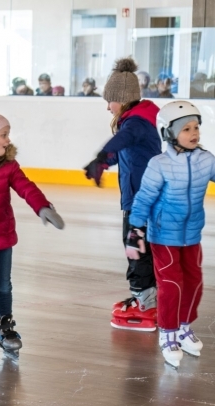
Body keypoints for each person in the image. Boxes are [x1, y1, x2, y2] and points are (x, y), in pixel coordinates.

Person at [126, 101, 215, 368]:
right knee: (172, 284)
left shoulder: (205, 159)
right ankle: (167, 333)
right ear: (169, 133)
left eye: (196, 127)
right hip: (163, 236)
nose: (194, 133)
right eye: (186, 129)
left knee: (194, 283)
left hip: (191, 235)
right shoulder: (159, 164)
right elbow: (144, 198)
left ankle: (183, 328)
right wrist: (135, 230)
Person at [0, 106, 64, 362]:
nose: (8, 140)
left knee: (3, 285)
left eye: (8, 134)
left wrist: (42, 206)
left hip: (2, 234)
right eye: (3, 135)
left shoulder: (8, 165)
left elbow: (26, 186)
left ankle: (4, 326)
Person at [83, 58, 161, 331]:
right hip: (142, 198)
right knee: (144, 248)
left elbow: (121, 141)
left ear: (123, 99)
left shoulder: (136, 123)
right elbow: (122, 149)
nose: (108, 107)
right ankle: (149, 296)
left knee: (135, 248)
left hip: (141, 200)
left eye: (110, 101)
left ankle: (145, 302)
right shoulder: (138, 121)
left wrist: (101, 155)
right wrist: (104, 162)